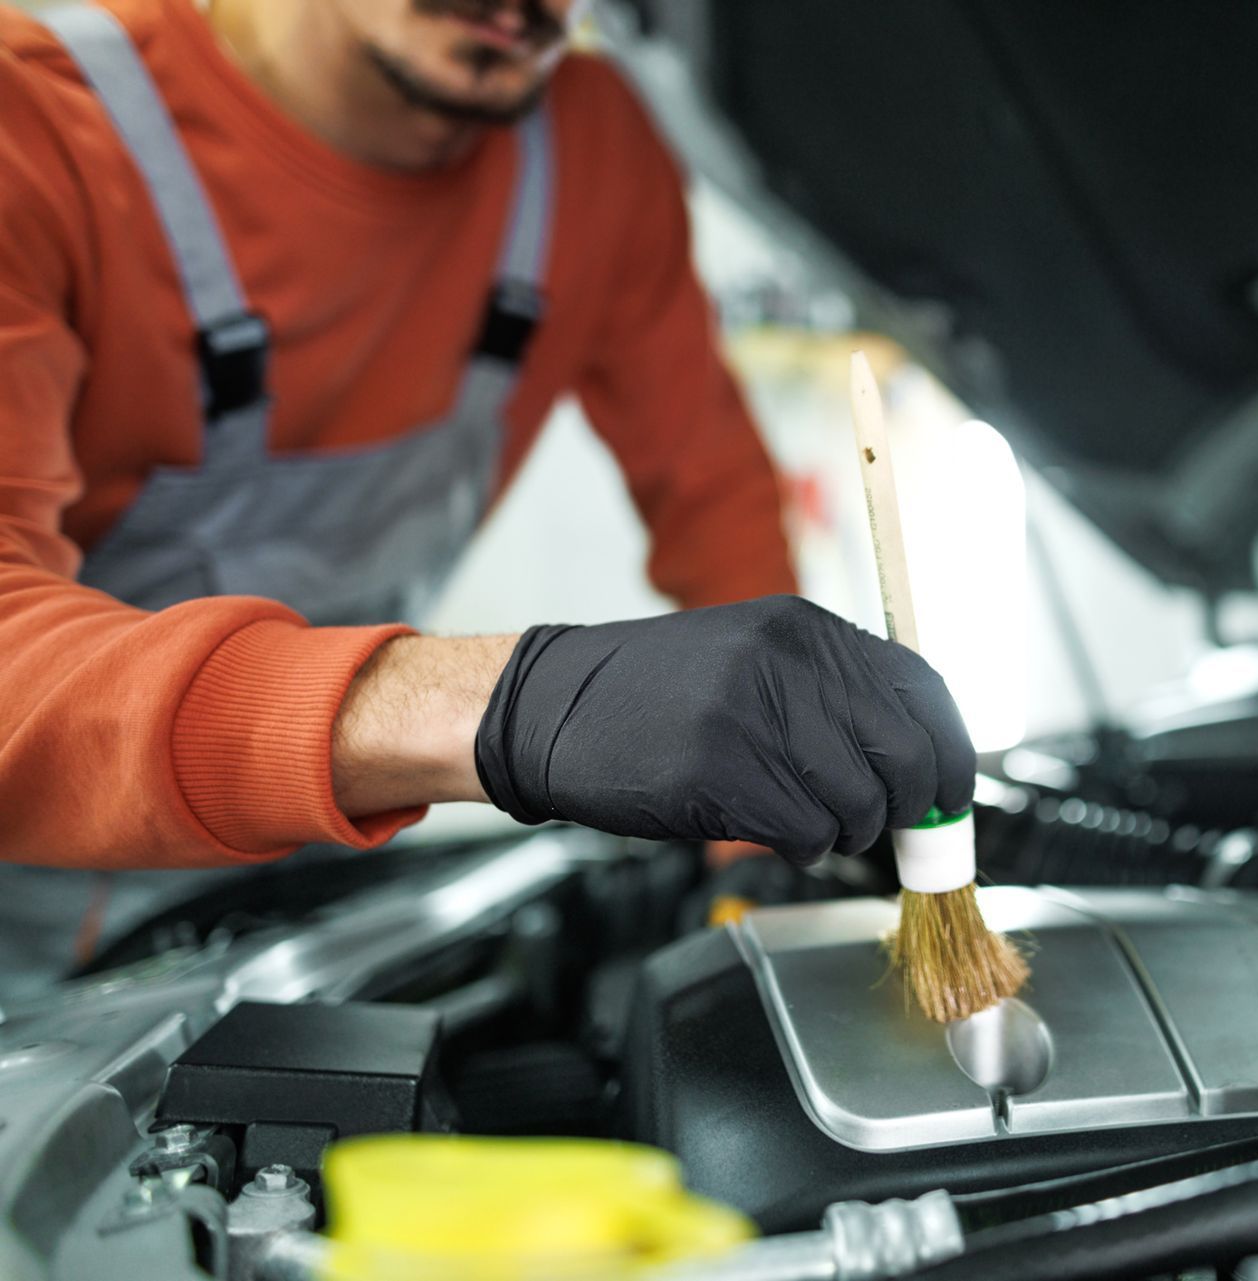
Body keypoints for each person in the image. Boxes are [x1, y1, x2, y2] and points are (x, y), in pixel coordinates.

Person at [0, 0, 974, 994]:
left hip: (302, 893)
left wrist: (760, 833)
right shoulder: (32, 117)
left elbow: (714, 493)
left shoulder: (590, 149)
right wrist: (513, 702)